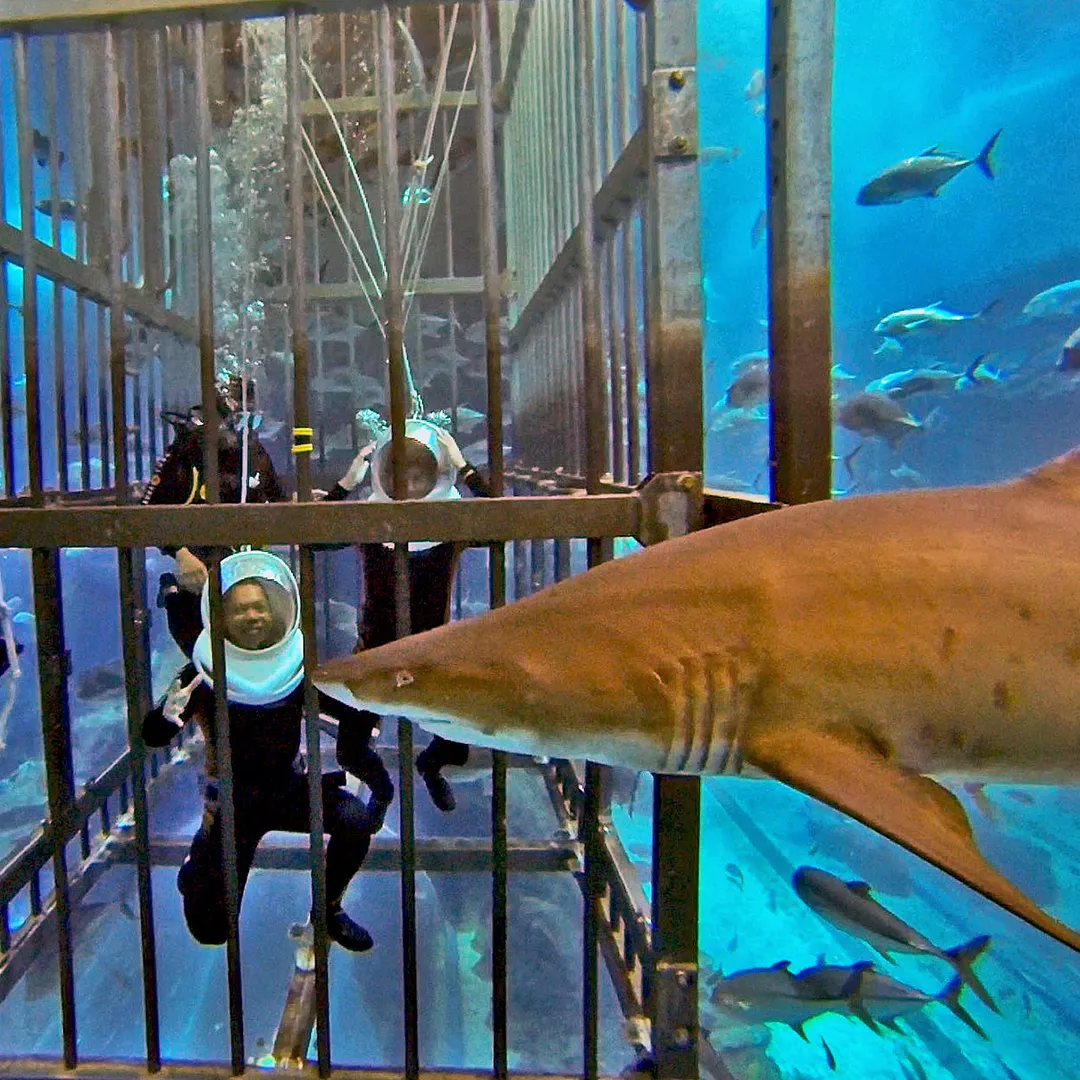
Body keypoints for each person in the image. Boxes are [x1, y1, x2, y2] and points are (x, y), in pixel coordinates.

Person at [142, 550, 394, 953]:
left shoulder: (296, 663)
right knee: (210, 931)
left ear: (279, 610)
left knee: (354, 820)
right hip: (232, 803)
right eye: (240, 610)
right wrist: (166, 716)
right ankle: (197, 864)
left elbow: (341, 706)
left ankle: (328, 909)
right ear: (221, 617)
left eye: (260, 607)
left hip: (288, 790)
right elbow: (151, 737)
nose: (252, 617)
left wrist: (368, 711)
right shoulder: (202, 672)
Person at [322, 417, 492, 813]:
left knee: (459, 744)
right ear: (381, 476)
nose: (411, 487)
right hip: (373, 653)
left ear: (438, 473)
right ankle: (382, 791)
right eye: (400, 477)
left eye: (421, 476)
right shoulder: (368, 520)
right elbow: (311, 537)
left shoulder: (452, 522)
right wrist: (345, 485)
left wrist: (465, 468)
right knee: (349, 751)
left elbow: (506, 523)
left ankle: (430, 765)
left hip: (436, 653)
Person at [143, 368, 289, 658]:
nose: (240, 429)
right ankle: (172, 595)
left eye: (250, 418)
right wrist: (181, 554)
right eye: (233, 418)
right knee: (206, 658)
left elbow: (282, 505)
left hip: (248, 579)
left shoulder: (255, 453)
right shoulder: (187, 454)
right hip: (199, 583)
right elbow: (147, 515)